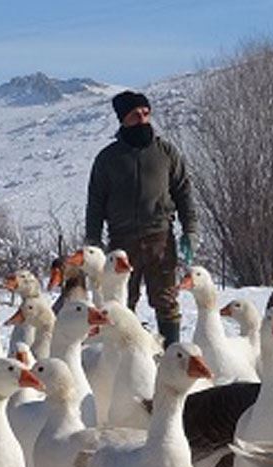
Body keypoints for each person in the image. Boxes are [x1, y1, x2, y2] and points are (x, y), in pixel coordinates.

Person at [84, 90, 198, 347]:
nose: (143, 119)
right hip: (122, 243)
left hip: (160, 238)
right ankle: (126, 354)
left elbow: (184, 192)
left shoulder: (166, 153)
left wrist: (190, 231)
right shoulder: (108, 159)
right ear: (123, 119)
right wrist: (92, 242)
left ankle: (171, 354)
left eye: (146, 113)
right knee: (122, 301)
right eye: (136, 115)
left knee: (166, 300)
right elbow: (95, 204)